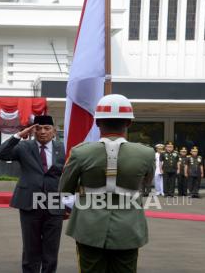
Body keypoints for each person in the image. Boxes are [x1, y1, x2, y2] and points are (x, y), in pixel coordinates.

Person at [59, 94, 154, 273]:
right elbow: (146, 185)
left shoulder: (80, 152)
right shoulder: (146, 154)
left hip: (88, 228)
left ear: (97, 123)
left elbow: (65, 190)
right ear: (128, 123)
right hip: (128, 228)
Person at [0, 115, 65, 273]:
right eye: (38, 128)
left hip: (54, 201)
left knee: (51, 247)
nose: (42, 132)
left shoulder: (63, 148)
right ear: (33, 130)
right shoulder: (24, 147)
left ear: (54, 131)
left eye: (47, 128)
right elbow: (0, 154)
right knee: (30, 246)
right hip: (29, 201)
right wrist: (19, 135)